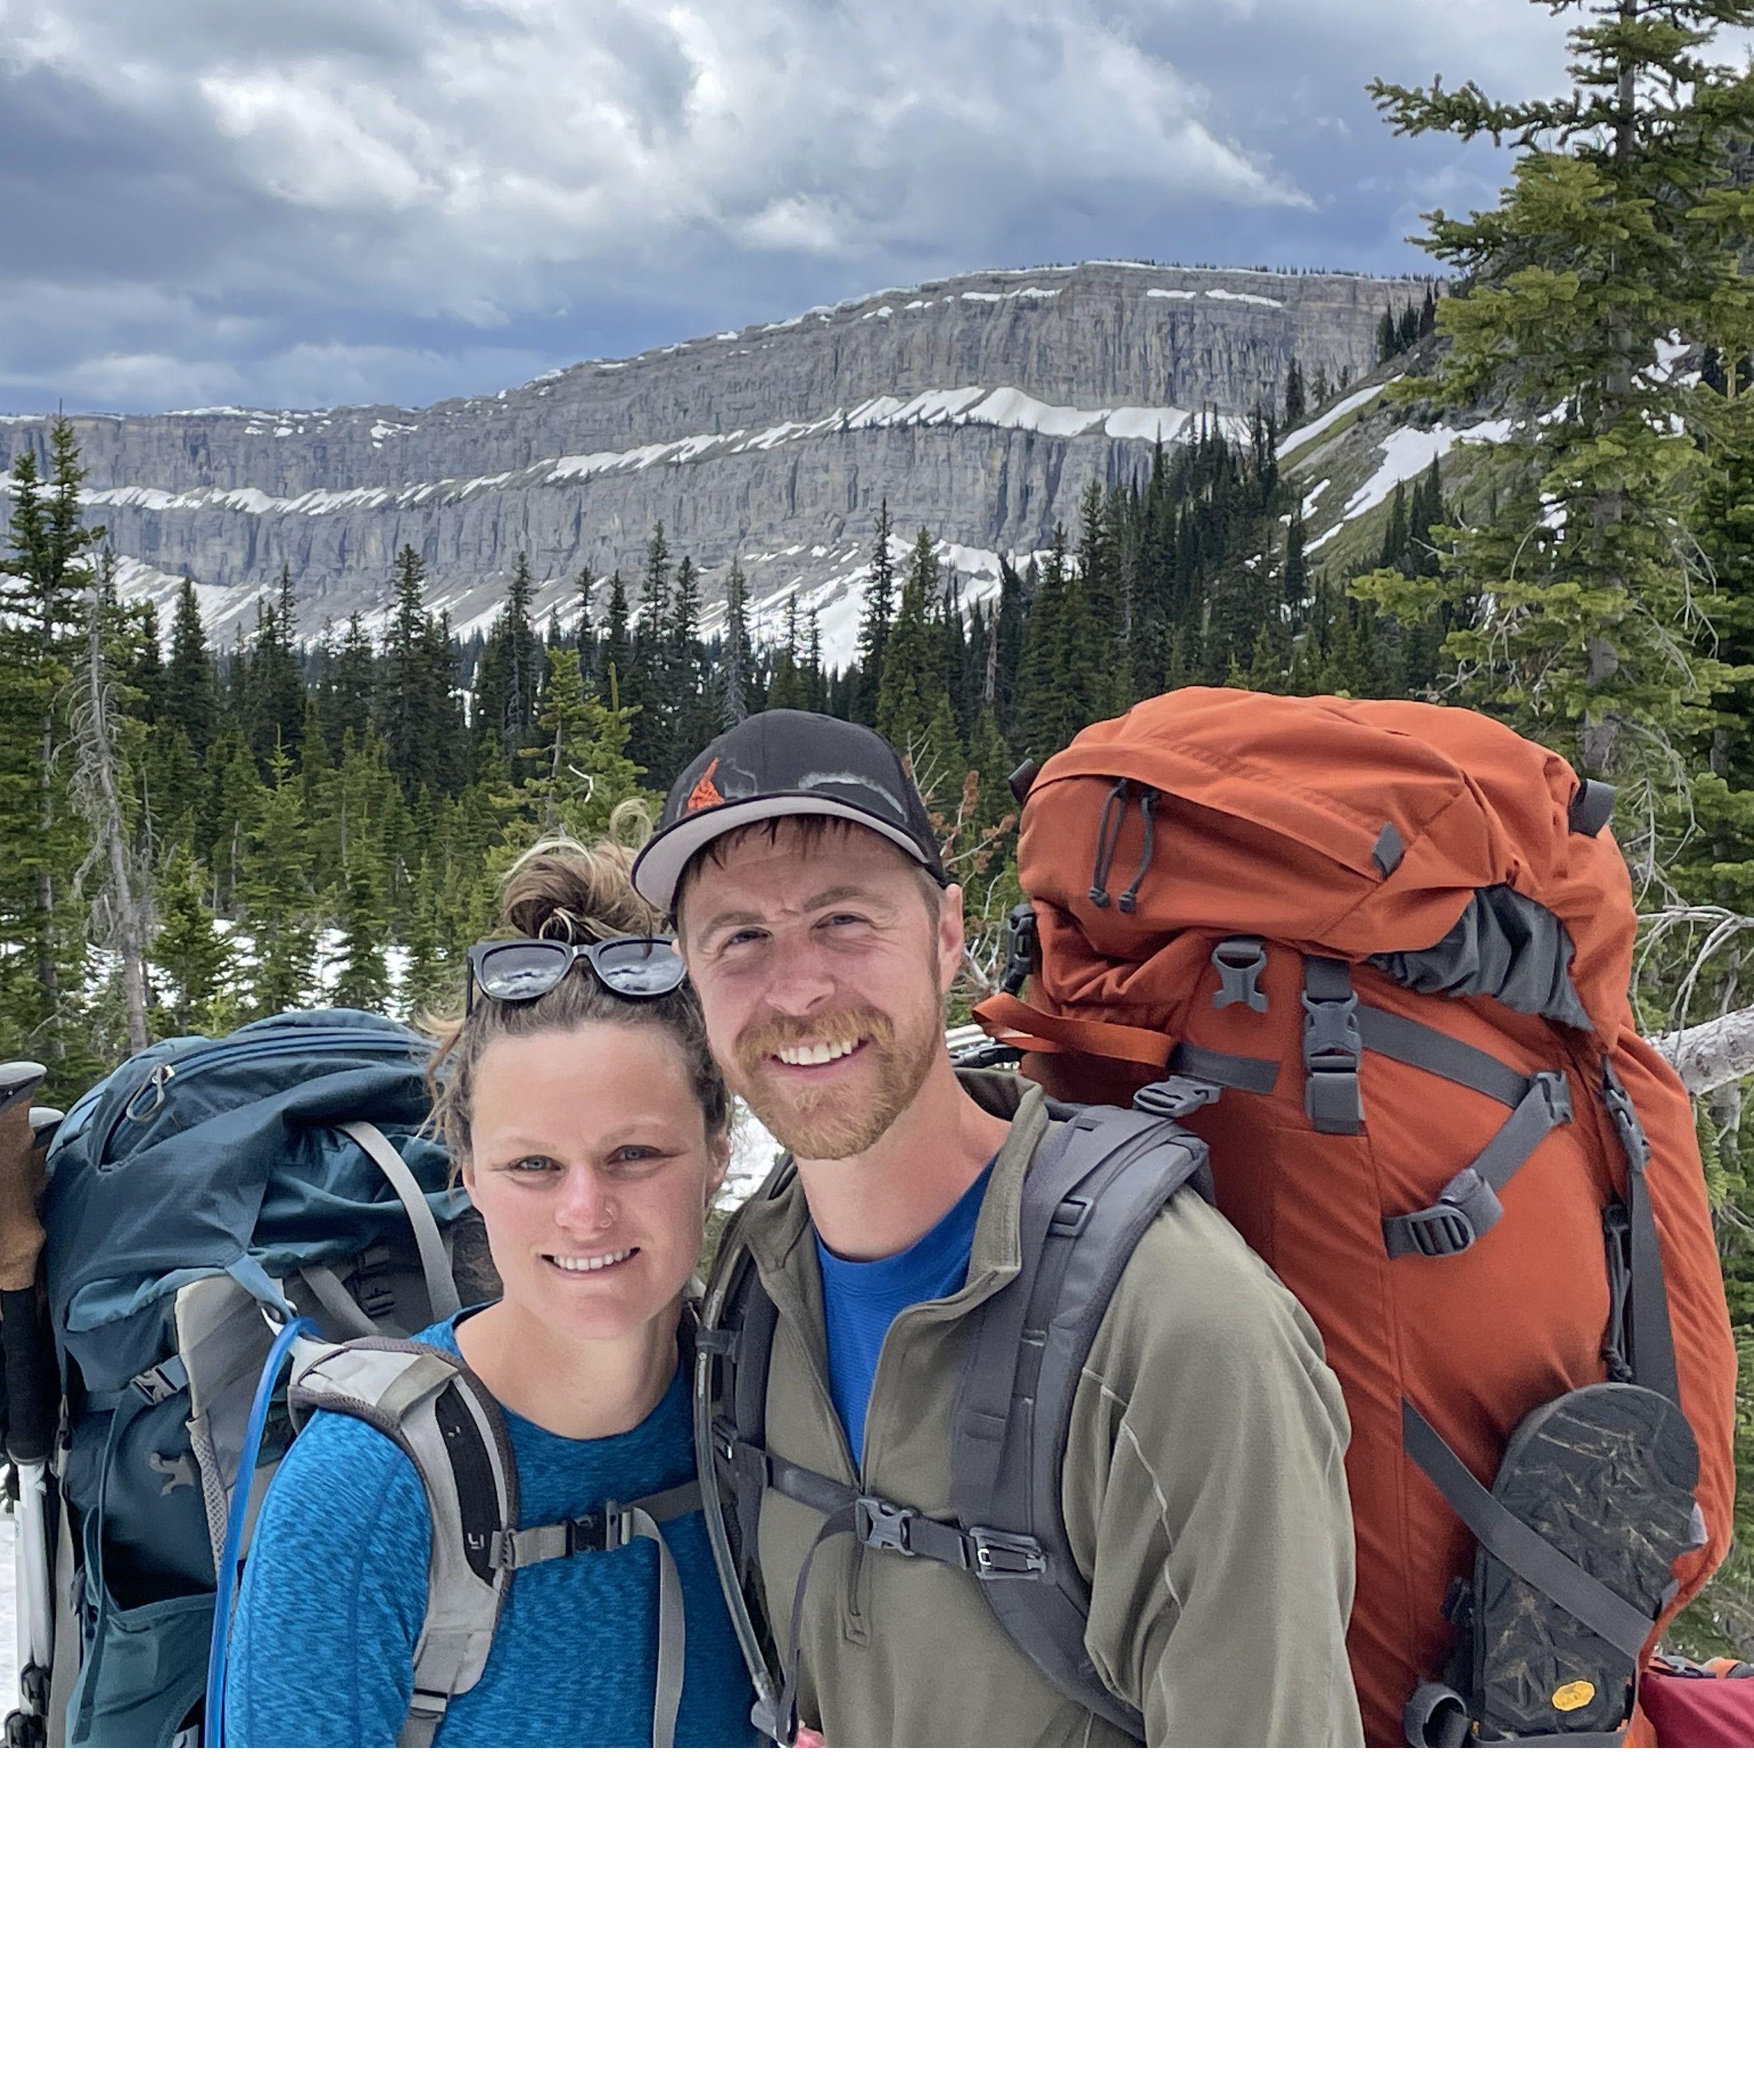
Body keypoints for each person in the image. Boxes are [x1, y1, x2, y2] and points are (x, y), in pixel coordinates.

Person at [635, 710, 1362, 1747]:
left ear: (945, 937)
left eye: (845, 921)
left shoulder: (1177, 1330)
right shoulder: (757, 1280)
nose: (796, 988)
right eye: (741, 938)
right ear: (692, 977)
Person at [223, 833, 758, 1747]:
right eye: (534, 1165)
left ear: (716, 1150)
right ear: (468, 1174)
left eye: (634, 1153)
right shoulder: (363, 1499)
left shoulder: (762, 1419)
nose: (586, 1212)